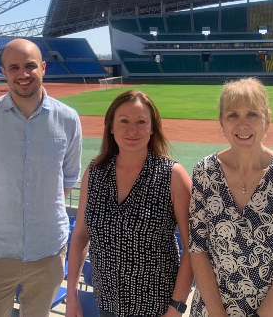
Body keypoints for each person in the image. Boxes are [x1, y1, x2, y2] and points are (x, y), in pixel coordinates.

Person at [0, 38, 82, 317]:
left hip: (48, 251)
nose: (23, 74)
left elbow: (67, 179)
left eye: (30, 66)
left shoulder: (68, 119)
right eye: (14, 67)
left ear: (43, 67)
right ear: (4, 72)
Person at [189, 78, 273, 317]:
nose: (243, 124)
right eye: (232, 115)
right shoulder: (204, 172)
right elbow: (198, 250)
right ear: (222, 122)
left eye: (252, 114)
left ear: (267, 119)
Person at [66, 90, 193, 317]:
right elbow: (80, 235)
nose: (132, 130)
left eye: (141, 122)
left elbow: (191, 248)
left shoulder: (172, 175)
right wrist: (72, 294)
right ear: (111, 126)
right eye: (123, 121)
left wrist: (176, 308)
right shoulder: (95, 172)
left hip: (157, 309)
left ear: (152, 128)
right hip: (106, 305)